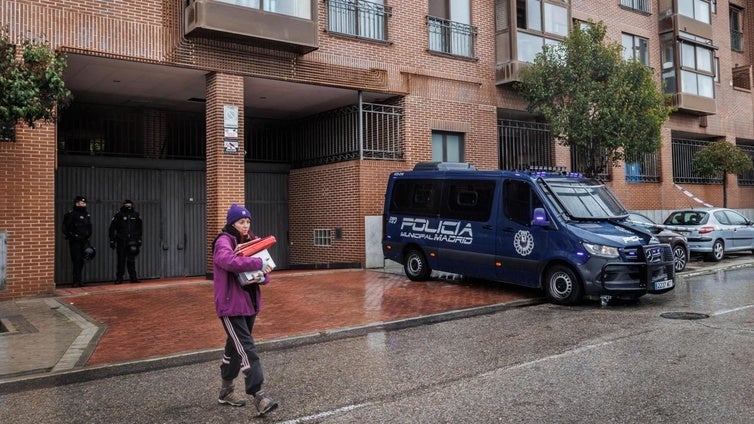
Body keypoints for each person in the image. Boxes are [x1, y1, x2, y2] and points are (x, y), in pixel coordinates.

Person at [212, 204, 278, 416]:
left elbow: (264, 272)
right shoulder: (224, 241)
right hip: (231, 306)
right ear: (232, 223)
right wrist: (256, 262)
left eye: (248, 221)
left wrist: (263, 272)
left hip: (250, 304)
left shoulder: (252, 241)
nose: (245, 225)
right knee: (247, 347)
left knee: (235, 347)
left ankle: (225, 391)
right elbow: (227, 261)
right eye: (241, 222)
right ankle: (259, 395)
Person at [108, 199, 143, 284]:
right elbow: (112, 228)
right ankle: (119, 278)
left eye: (130, 205)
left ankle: (133, 278)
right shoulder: (119, 215)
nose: (128, 206)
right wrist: (112, 240)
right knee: (121, 260)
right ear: (124, 205)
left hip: (132, 241)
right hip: (121, 241)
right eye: (127, 205)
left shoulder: (136, 214)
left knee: (131, 260)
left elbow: (140, 228)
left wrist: (139, 239)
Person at [62, 195, 93, 288]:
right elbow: (65, 228)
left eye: (85, 203)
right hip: (75, 241)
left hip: (84, 240)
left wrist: (87, 236)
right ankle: (75, 281)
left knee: (83, 260)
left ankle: (79, 280)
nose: (84, 204)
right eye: (82, 203)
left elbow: (89, 227)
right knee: (76, 260)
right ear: (77, 203)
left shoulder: (86, 214)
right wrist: (72, 236)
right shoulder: (70, 214)